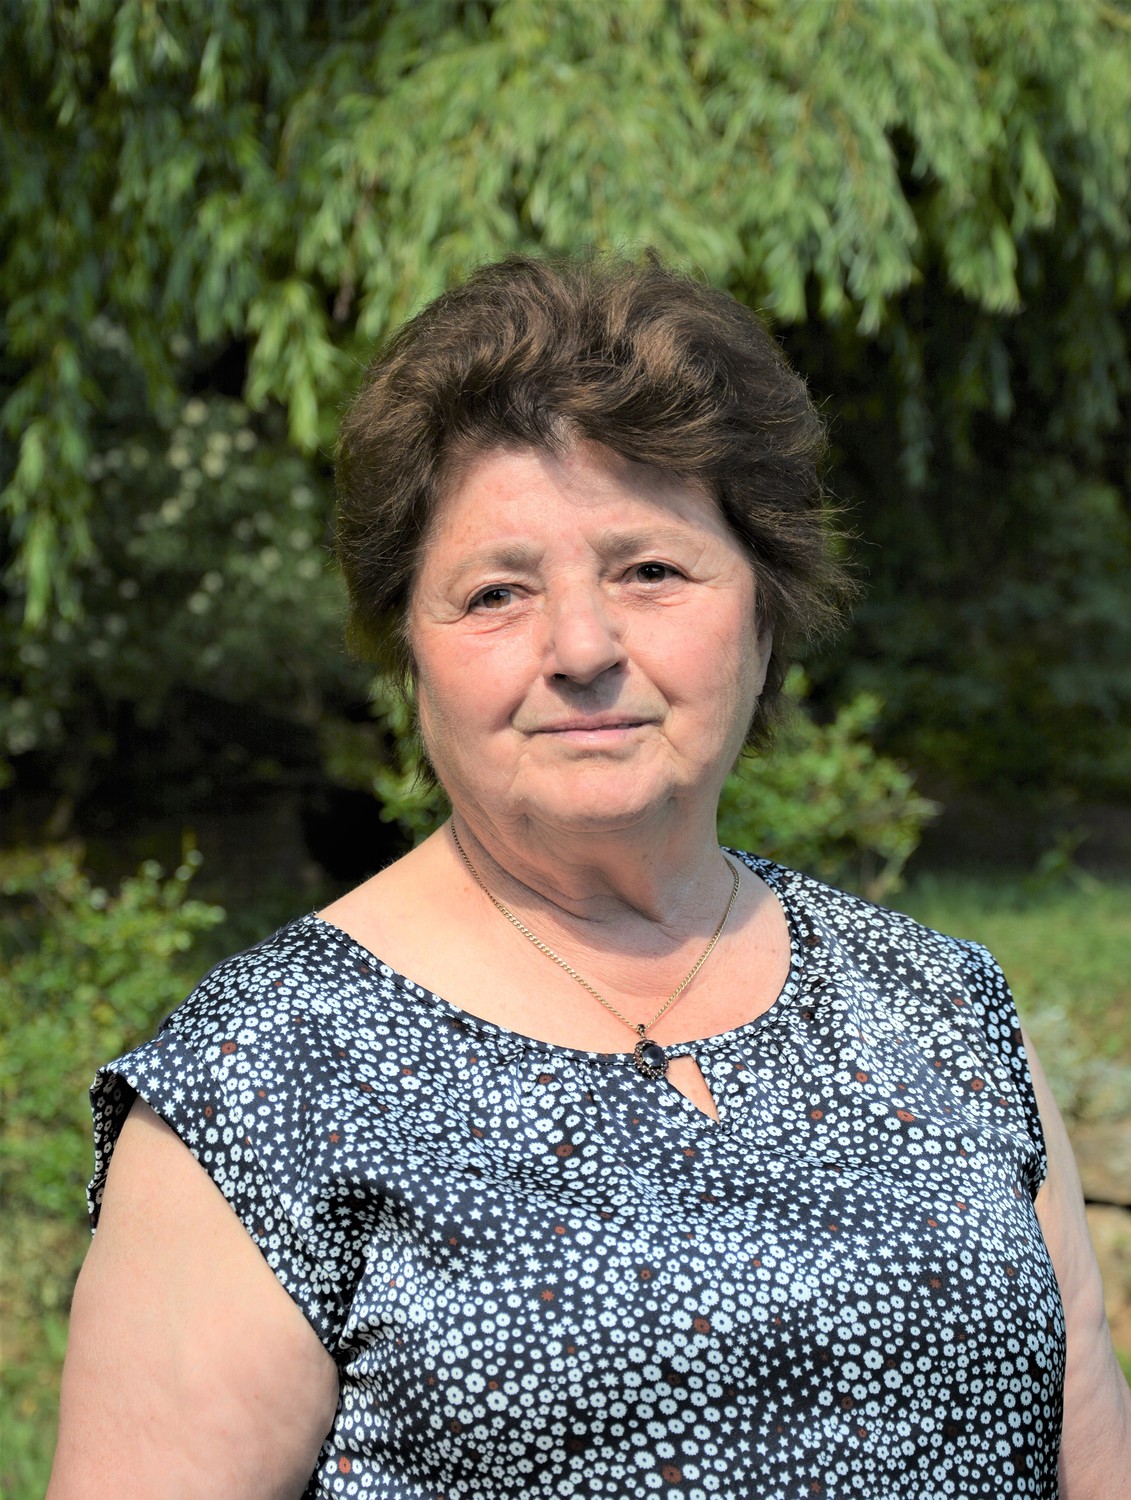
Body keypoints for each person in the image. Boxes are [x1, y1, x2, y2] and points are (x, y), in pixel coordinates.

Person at [49, 254, 1129, 1500]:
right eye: (496, 593)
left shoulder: (942, 1008)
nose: (580, 648)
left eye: (649, 571)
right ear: (411, 652)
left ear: (764, 609)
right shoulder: (265, 1081)